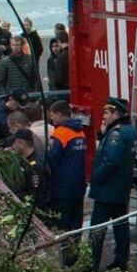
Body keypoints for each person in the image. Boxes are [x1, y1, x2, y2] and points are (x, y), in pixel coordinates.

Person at [88, 97, 137, 272]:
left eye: (107, 112)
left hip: (108, 190)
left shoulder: (116, 133)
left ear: (116, 113)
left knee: (97, 229)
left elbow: (111, 161)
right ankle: (121, 260)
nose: (104, 116)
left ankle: (91, 263)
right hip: (121, 189)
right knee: (121, 226)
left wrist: (96, 178)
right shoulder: (130, 130)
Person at [44, 101, 91, 241]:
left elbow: (52, 160)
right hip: (78, 187)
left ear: (59, 114)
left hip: (62, 189)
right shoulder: (80, 131)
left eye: (52, 116)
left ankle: (66, 260)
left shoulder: (60, 133)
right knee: (76, 227)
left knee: (62, 229)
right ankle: (75, 259)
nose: (52, 119)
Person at [0, 33, 39, 101]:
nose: (15, 47)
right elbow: (0, 81)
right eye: (13, 45)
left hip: (28, 95)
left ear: (22, 46)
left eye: (17, 45)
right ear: (10, 46)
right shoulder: (5, 62)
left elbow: (36, 78)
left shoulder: (30, 59)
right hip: (12, 97)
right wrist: (5, 97)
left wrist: (35, 96)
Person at [46, 25, 70, 95]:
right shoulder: (51, 60)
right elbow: (51, 76)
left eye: (57, 45)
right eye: (53, 46)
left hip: (62, 89)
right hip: (58, 90)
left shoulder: (60, 57)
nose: (55, 49)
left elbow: (58, 79)